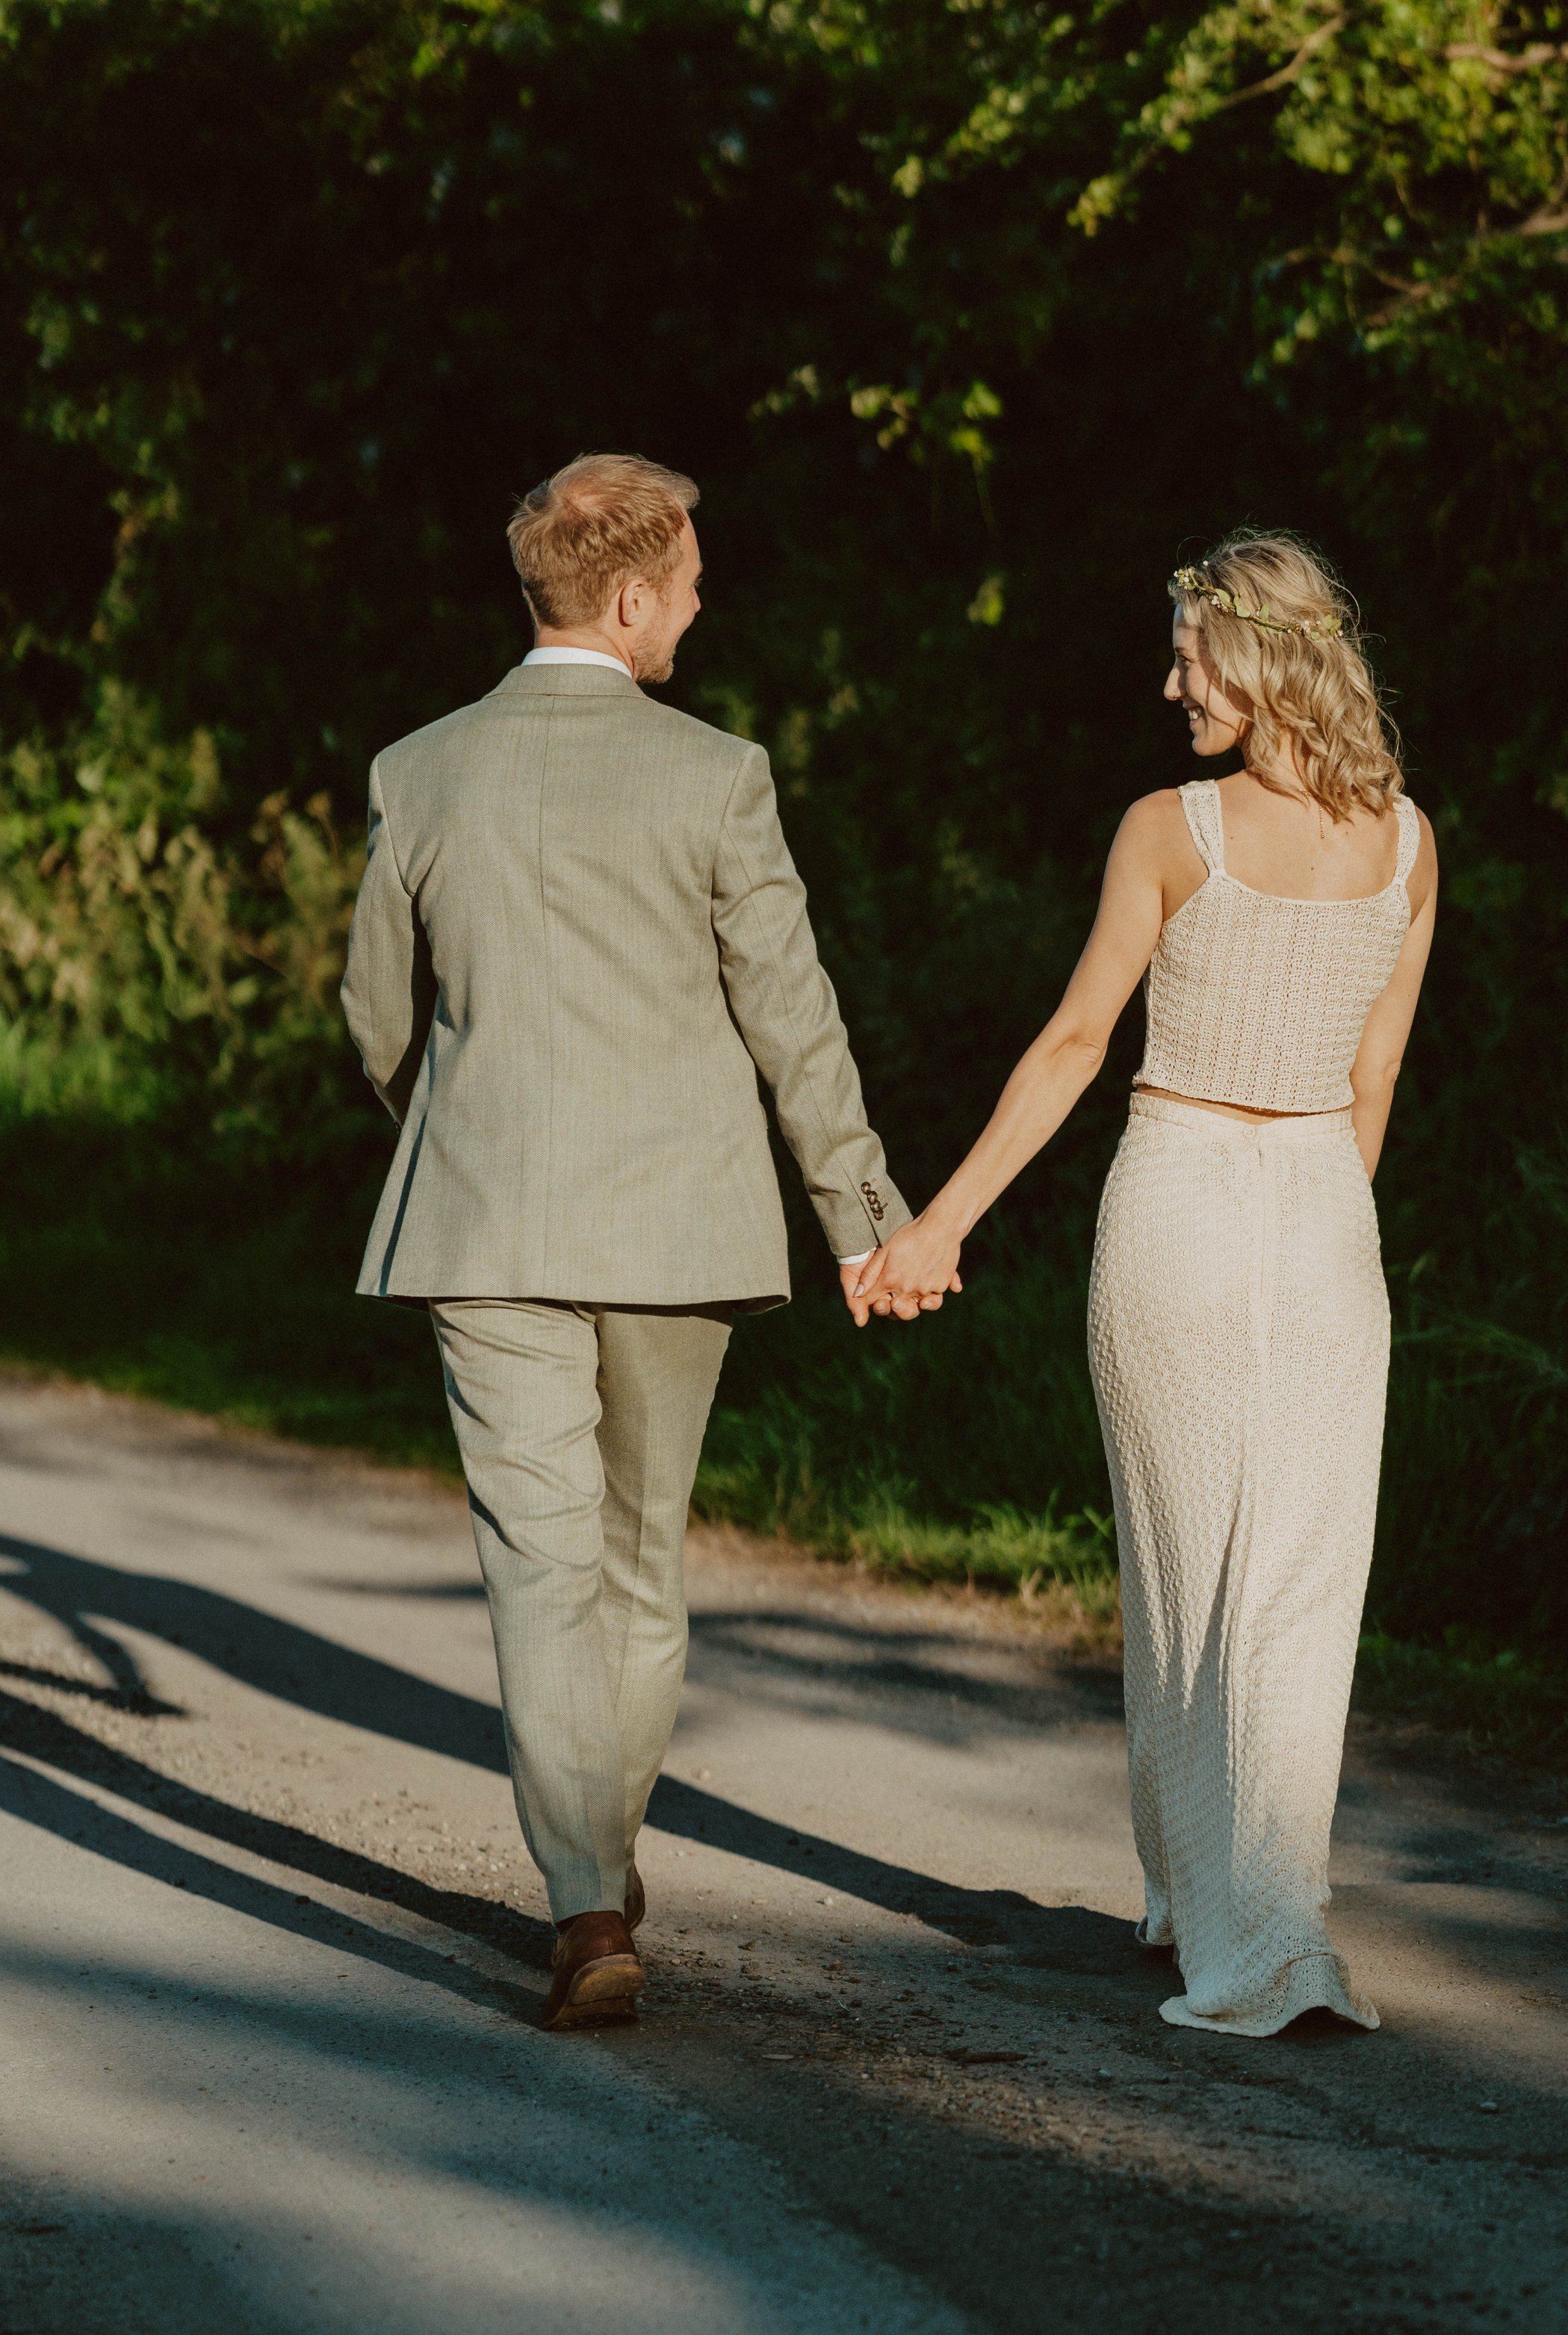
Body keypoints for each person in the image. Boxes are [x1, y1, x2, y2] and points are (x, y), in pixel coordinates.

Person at [341, 453, 921, 2031]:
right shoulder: (715, 775)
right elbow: (789, 1018)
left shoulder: (418, 769)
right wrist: (862, 1213)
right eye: (689, 578)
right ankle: (600, 1855)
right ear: (626, 597)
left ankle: (584, 1896)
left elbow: (376, 1020)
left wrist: (452, 1123)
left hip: (478, 1217)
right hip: (678, 1224)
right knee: (636, 1562)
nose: (702, 599)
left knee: (537, 1571)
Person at [854, 531, 1437, 2034]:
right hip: (1319, 1216)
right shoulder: (1408, 842)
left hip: (1177, 1202)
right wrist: (1315, 1225)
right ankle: (1244, 1910)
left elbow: (1071, 1048)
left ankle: (1224, 1922)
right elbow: (1373, 1077)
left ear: (1255, 660)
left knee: (1183, 1575)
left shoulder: (1170, 828)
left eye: (1187, 653)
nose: (1167, 679)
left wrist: (937, 1226)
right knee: (1297, 1585)